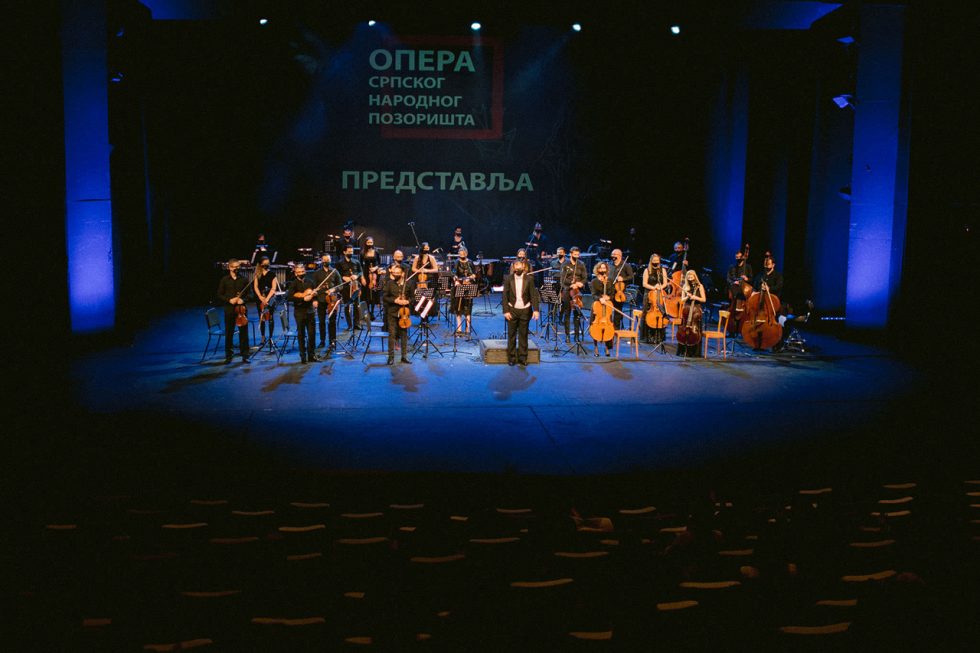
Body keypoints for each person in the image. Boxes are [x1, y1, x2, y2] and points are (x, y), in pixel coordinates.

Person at [502, 259, 540, 366]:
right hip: (512, 310)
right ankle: (512, 358)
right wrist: (506, 311)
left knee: (523, 335)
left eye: (520, 266)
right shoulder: (508, 279)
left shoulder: (529, 279)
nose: (518, 268)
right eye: (516, 266)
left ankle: (523, 358)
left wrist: (536, 310)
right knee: (511, 335)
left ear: (523, 267)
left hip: (525, 310)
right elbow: (504, 296)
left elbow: (533, 295)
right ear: (513, 267)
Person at [216, 259, 252, 363]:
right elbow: (219, 294)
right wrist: (229, 300)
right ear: (229, 268)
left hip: (241, 310)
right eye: (234, 267)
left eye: (238, 267)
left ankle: (245, 355)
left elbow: (251, 294)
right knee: (229, 333)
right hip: (229, 309)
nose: (237, 269)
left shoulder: (244, 279)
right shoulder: (224, 280)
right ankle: (229, 356)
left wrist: (243, 300)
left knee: (244, 333)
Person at [285, 263, 317, 363]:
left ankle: (311, 355)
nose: (301, 273)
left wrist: (315, 298)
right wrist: (303, 299)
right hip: (299, 312)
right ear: (295, 273)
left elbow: (315, 294)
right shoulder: (293, 284)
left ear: (305, 271)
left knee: (312, 334)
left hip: (310, 311)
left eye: (302, 271)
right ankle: (303, 356)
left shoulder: (310, 282)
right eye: (299, 272)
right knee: (301, 334)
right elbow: (290, 297)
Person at [382, 263, 412, 365]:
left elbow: (413, 298)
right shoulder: (389, 283)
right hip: (392, 313)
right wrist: (395, 300)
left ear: (402, 273)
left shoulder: (408, 284)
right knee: (392, 335)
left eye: (398, 273)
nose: (395, 275)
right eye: (394, 273)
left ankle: (404, 357)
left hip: (404, 314)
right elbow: (384, 297)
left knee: (404, 335)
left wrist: (408, 301)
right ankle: (391, 357)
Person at [312, 253, 341, 350]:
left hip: (332, 300)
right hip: (321, 299)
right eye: (324, 260)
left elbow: (340, 285)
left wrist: (334, 289)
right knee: (321, 322)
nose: (326, 262)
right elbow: (314, 288)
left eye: (327, 260)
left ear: (330, 260)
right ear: (321, 261)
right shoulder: (317, 273)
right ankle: (322, 341)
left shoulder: (335, 272)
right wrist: (314, 300)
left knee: (332, 321)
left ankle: (332, 341)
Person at [560, 246, 588, 342]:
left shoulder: (581, 264)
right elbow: (562, 280)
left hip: (577, 291)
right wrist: (571, 284)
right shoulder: (565, 264)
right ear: (571, 254)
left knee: (577, 314)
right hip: (567, 290)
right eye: (575, 254)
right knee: (567, 313)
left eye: (578, 255)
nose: (577, 256)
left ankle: (576, 335)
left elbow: (585, 278)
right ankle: (567, 335)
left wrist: (580, 283)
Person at [676, 269, 706, 357]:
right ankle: (683, 350)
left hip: (696, 308)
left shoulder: (700, 286)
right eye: (688, 276)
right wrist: (687, 297)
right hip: (687, 308)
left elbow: (704, 299)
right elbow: (682, 300)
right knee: (684, 327)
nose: (690, 277)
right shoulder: (685, 287)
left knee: (695, 329)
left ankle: (694, 352)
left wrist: (695, 297)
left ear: (695, 276)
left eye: (691, 275)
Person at [252, 256, 279, 350]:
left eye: (268, 263)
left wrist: (267, 299)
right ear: (261, 264)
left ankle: (270, 337)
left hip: (269, 298)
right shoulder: (257, 274)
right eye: (265, 263)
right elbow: (255, 287)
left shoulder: (272, 274)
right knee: (262, 317)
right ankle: (263, 337)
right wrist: (260, 297)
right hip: (260, 299)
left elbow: (273, 288)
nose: (267, 265)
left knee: (270, 317)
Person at [590, 262, 617, 357]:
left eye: (604, 268)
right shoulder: (594, 281)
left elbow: (612, 294)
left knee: (609, 327)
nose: (602, 270)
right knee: (594, 327)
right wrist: (600, 298)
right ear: (597, 270)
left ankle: (607, 348)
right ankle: (596, 347)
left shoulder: (610, 281)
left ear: (607, 269)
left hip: (607, 306)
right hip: (597, 305)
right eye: (601, 268)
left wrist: (608, 297)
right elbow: (593, 294)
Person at [641, 253, 669, 344]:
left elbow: (665, 283)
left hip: (660, 294)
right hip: (649, 294)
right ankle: (648, 337)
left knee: (661, 313)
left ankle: (659, 337)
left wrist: (660, 287)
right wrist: (653, 288)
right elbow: (644, 284)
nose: (656, 262)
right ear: (651, 261)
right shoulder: (647, 270)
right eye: (654, 260)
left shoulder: (662, 270)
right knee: (647, 313)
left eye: (657, 260)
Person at [336, 244, 362, 330]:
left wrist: (356, 276)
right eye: (349, 251)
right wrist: (343, 277)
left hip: (355, 286)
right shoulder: (339, 263)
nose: (351, 253)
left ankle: (357, 324)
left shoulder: (356, 261)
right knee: (347, 305)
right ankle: (350, 325)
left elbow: (360, 272)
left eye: (352, 251)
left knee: (357, 305)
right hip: (345, 287)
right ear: (344, 252)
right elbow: (337, 274)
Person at [451, 247, 477, 335]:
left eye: (464, 253)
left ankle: (467, 328)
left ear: (466, 253)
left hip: (468, 286)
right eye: (460, 253)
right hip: (460, 285)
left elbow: (474, 273)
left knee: (468, 308)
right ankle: (459, 328)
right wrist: (456, 280)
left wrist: (472, 277)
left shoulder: (470, 262)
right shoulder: (456, 262)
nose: (462, 254)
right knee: (459, 308)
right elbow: (454, 273)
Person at [608, 248, 634, 329]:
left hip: (619, 291)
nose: (612, 256)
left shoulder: (626, 265)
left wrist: (623, 279)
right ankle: (608, 327)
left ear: (620, 256)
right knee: (608, 310)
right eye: (612, 254)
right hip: (609, 290)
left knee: (617, 311)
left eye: (614, 254)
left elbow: (631, 276)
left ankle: (616, 328)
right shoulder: (609, 265)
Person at [360, 237, 381, 320]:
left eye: (371, 242)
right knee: (367, 294)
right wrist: (362, 277)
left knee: (374, 292)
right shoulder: (362, 252)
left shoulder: (376, 251)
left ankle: (372, 312)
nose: (370, 244)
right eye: (368, 242)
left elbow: (379, 263)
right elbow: (360, 265)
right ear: (365, 243)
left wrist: (375, 267)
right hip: (366, 273)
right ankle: (367, 311)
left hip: (374, 274)